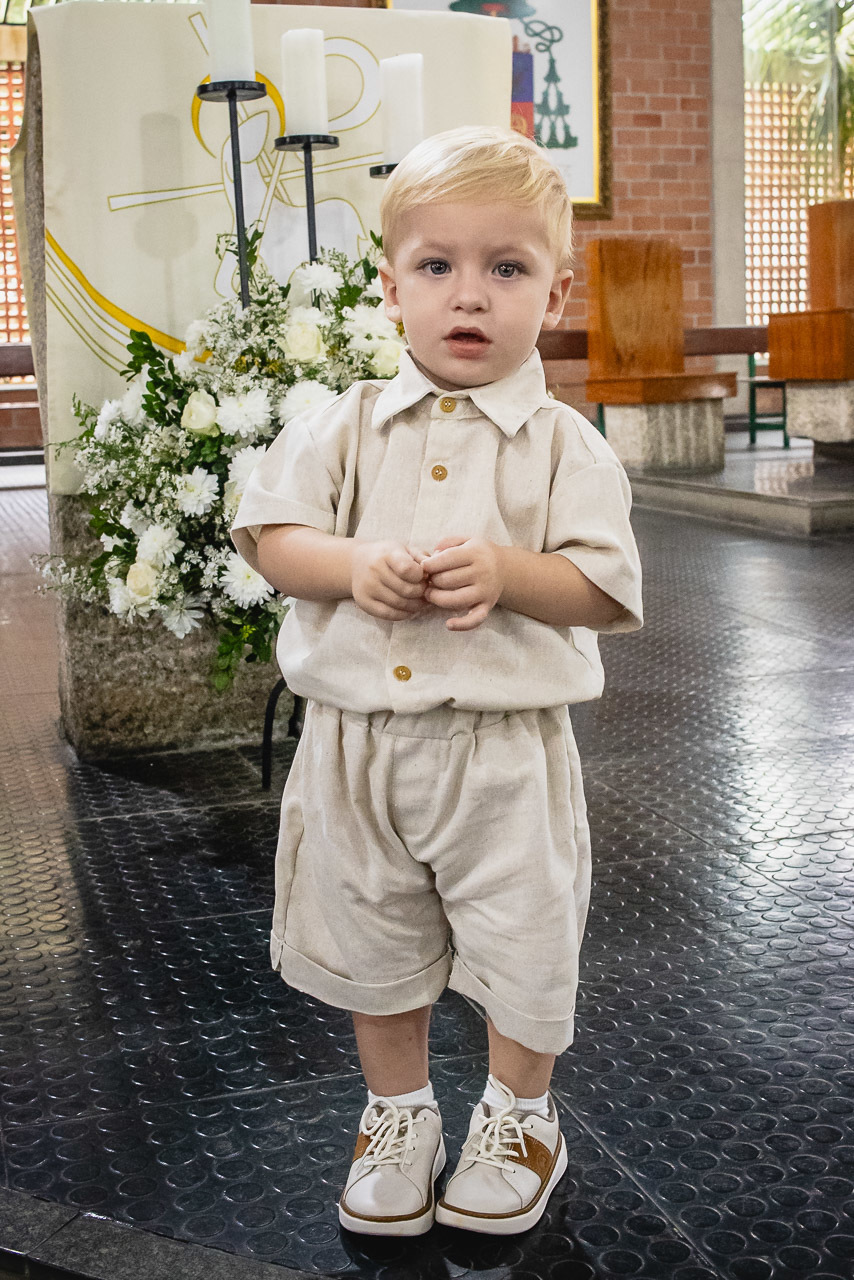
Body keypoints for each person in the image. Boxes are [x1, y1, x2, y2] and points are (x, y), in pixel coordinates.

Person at [231, 125, 642, 1239]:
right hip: (357, 746)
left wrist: (511, 573)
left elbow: (602, 590)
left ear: (553, 293)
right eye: (437, 266)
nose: (470, 296)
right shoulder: (343, 424)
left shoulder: (566, 446)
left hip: (505, 756)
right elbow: (272, 539)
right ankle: (398, 1111)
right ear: (389, 287)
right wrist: (354, 566)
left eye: (505, 269)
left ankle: (520, 1114)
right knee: (373, 941)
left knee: (523, 938)